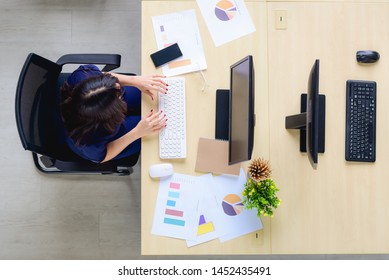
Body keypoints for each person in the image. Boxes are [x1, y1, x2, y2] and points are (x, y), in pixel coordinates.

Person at [60, 64, 168, 164]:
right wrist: (137, 133)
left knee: (155, 94)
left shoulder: (82, 77)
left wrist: (135, 80)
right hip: (106, 134)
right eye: (118, 93)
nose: (118, 86)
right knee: (159, 128)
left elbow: (105, 77)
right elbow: (103, 156)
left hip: (105, 104)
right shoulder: (87, 142)